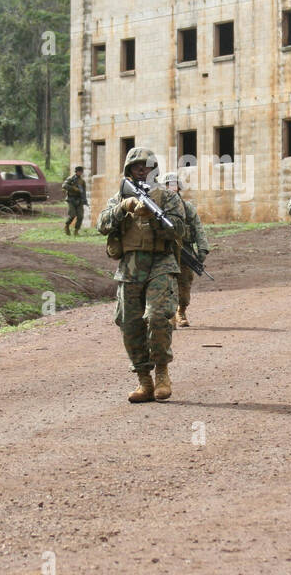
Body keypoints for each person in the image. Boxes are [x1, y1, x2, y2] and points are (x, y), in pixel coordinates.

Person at [96, 147, 187, 403]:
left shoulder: (168, 197)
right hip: (130, 267)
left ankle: (162, 374)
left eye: (146, 166)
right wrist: (123, 207)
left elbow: (178, 229)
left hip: (161, 263)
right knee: (130, 324)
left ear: (153, 169)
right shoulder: (120, 196)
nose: (141, 170)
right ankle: (144, 381)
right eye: (136, 166)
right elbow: (101, 225)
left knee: (158, 317)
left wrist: (156, 217)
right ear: (128, 171)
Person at [162, 171, 210, 327]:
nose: (171, 188)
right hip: (165, 252)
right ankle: (169, 317)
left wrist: (202, 249)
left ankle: (181, 311)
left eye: (174, 185)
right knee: (166, 285)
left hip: (185, 252)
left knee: (184, 286)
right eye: (168, 185)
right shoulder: (158, 207)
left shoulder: (187, 208)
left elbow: (198, 228)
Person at [62, 165, 88, 236]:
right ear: (76, 172)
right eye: (79, 171)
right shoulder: (71, 179)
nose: (80, 173)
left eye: (81, 172)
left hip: (79, 200)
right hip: (71, 199)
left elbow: (84, 191)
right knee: (72, 215)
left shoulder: (82, 181)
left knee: (80, 216)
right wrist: (73, 188)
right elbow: (64, 185)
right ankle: (66, 226)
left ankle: (76, 231)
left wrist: (84, 200)